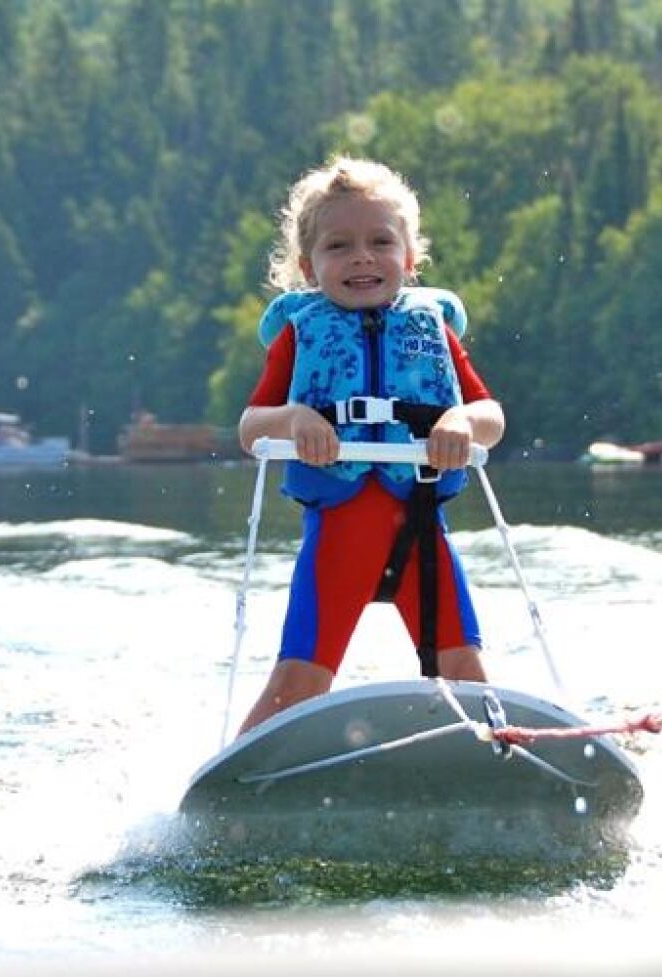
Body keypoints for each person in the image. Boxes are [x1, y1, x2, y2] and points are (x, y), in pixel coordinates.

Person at [237, 156, 505, 735]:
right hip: (340, 529)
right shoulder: (298, 332)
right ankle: (231, 789)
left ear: (409, 260)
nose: (361, 256)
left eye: (380, 241)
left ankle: (494, 761)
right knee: (301, 680)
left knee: (462, 669)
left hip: (420, 529)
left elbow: (492, 417)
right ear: (309, 268)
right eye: (340, 246)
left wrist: (460, 421)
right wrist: (296, 417)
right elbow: (251, 427)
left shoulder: (431, 329)